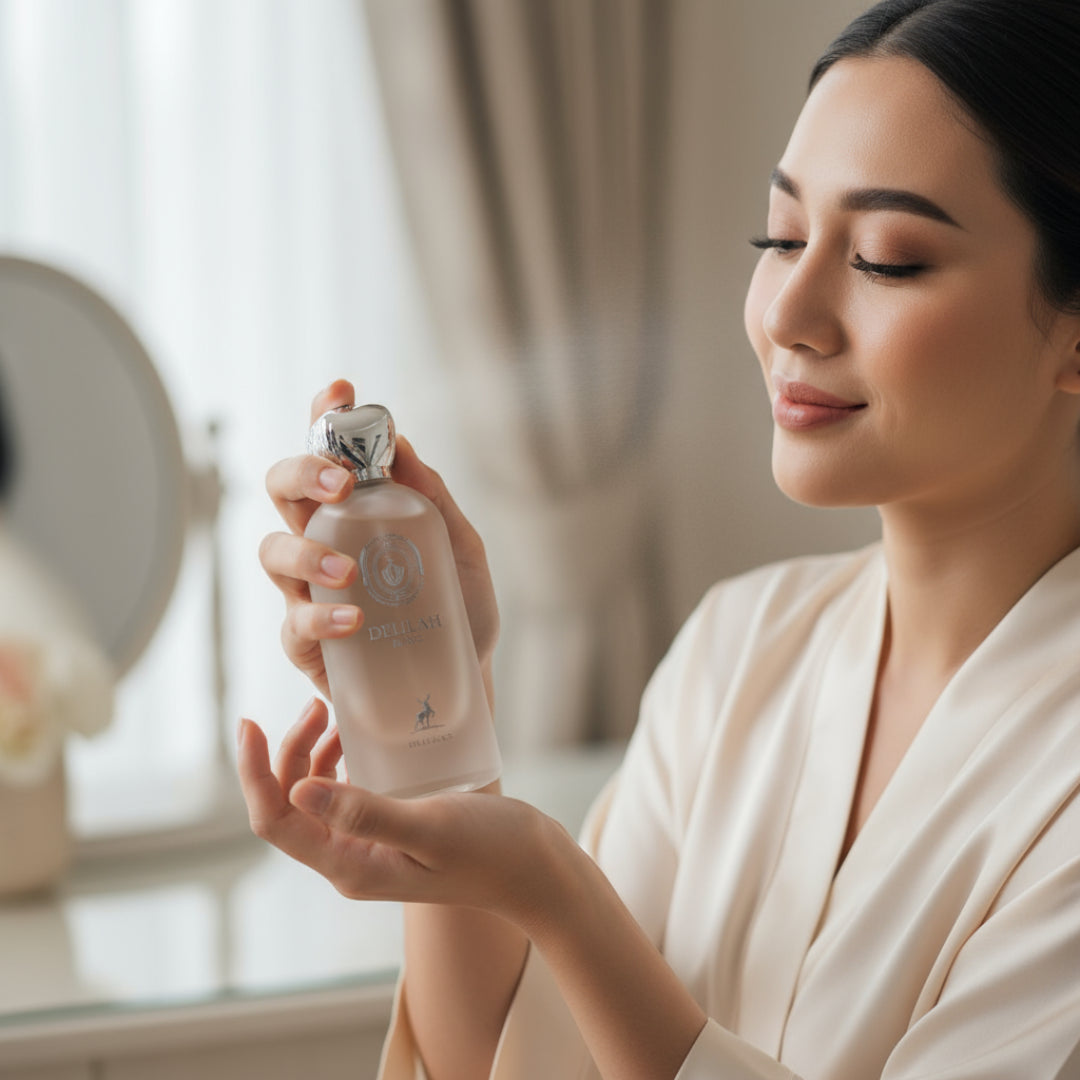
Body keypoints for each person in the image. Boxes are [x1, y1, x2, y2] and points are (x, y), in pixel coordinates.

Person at [237, 0, 1080, 1076]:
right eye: (780, 238)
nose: (789, 312)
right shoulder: (739, 648)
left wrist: (559, 894)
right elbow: (507, 1062)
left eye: (887, 259)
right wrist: (431, 747)